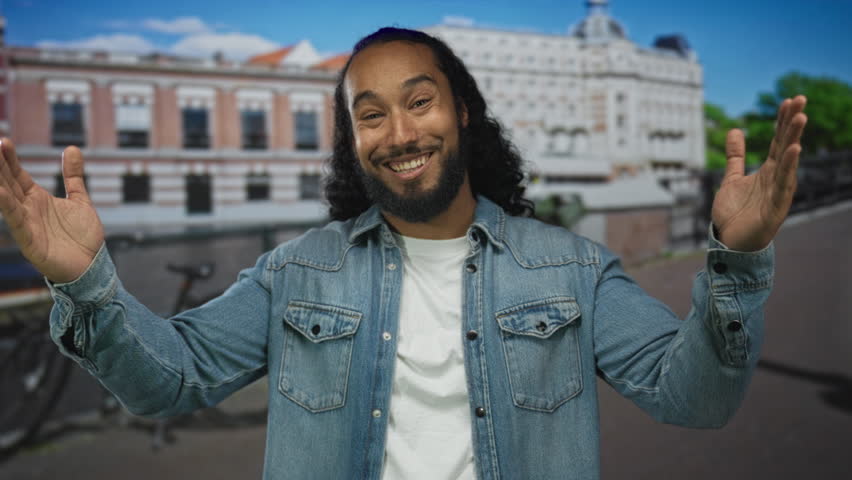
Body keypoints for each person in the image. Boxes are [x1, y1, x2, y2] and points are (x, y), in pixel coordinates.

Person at [0, 27, 807, 479]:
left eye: (420, 101)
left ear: (462, 111)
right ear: (352, 140)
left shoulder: (574, 269)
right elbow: (170, 381)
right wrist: (86, 282)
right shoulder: (295, 272)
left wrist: (737, 265)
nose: (400, 133)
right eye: (371, 114)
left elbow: (692, 399)